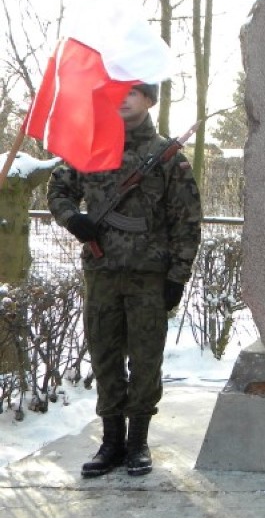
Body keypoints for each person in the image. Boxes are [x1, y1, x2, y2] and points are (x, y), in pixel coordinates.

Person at [48, 83, 202, 477]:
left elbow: (187, 222)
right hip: (102, 274)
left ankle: (137, 442)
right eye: (118, 91)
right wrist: (73, 219)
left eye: (133, 92)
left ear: (149, 100)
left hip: (148, 278)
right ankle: (111, 441)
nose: (123, 98)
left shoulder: (167, 157)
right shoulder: (91, 147)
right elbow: (59, 189)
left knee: (145, 359)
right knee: (104, 357)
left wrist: (177, 277)